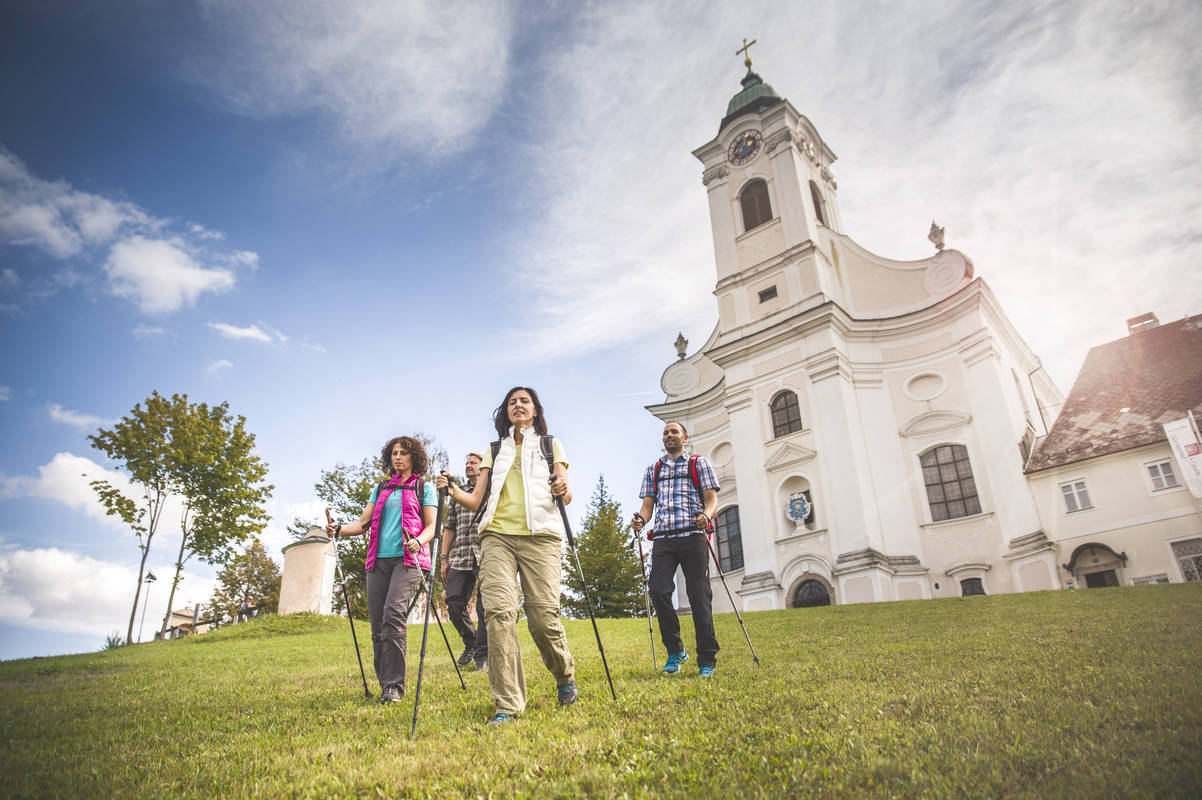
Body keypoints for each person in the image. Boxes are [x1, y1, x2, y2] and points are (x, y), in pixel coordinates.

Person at [436, 386, 576, 725]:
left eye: (524, 401)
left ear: (534, 409)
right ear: (506, 411)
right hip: (496, 536)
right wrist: (453, 490)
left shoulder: (549, 444)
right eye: (512, 402)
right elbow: (476, 499)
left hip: (541, 537)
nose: (518, 406)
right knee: (498, 614)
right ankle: (508, 704)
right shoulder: (494, 450)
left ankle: (564, 674)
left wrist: (561, 489)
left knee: (543, 619)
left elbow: (566, 493)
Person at [326, 436, 438, 704]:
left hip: (409, 560)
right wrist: (339, 529)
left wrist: (418, 541)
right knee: (377, 625)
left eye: (403, 453)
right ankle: (386, 684)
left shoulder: (424, 487)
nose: (397, 458)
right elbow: (364, 523)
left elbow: (432, 527)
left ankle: (395, 686)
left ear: (414, 458)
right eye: (394, 453)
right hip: (377, 561)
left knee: (392, 614)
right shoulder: (381, 489)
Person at [630, 421, 721, 677]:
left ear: (684, 437)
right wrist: (640, 519)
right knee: (658, 590)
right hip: (664, 538)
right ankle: (675, 651)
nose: (669, 436)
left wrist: (706, 514)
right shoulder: (653, 470)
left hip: (693, 535)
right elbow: (648, 506)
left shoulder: (698, 463)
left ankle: (707, 659)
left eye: (674, 432)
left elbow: (712, 499)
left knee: (698, 597)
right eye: (665, 432)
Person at [441, 452, 488, 672]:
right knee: (454, 602)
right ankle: (471, 641)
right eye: (467, 463)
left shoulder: (492, 489)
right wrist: (443, 559)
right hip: (460, 555)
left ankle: (482, 655)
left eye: (473, 463)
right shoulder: (456, 493)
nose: (469, 466)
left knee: (485, 605)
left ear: (483, 466)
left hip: (486, 552)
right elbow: (449, 526)